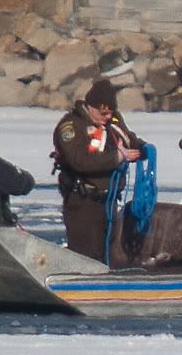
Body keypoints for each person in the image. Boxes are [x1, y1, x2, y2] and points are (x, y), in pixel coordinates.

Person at [52, 79, 146, 262]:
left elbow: (128, 139)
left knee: (108, 252)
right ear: (91, 107)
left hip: (109, 202)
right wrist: (117, 157)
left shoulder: (113, 121)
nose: (108, 117)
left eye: (111, 112)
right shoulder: (71, 126)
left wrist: (143, 148)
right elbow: (80, 161)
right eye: (103, 112)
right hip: (83, 202)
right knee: (86, 256)